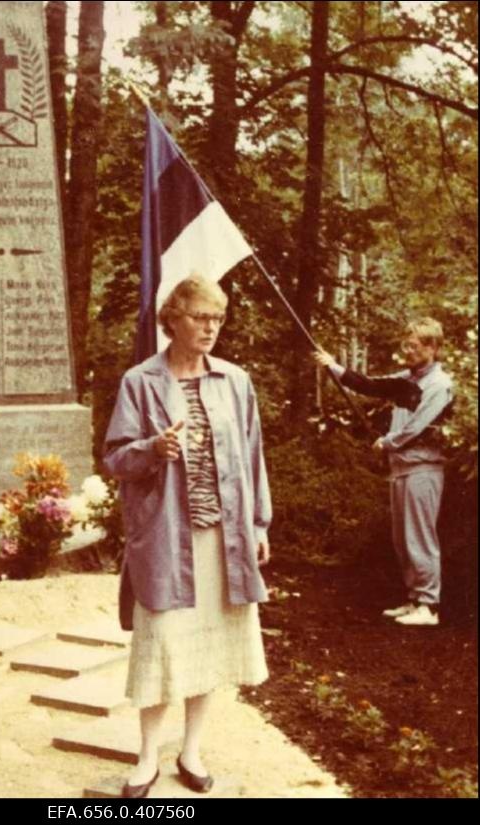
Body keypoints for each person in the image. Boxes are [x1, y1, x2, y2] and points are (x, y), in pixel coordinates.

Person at [103, 274, 271, 798]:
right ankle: (147, 757)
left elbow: (252, 457)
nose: (210, 327)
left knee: (211, 645)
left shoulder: (235, 381)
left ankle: (191, 751)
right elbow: (115, 458)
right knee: (161, 645)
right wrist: (152, 449)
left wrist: (259, 523)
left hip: (225, 540)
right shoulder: (141, 381)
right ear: (172, 318)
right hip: (166, 535)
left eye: (218, 318)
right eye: (200, 316)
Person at [314, 318, 453, 627]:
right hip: (402, 468)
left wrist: (387, 443)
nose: (408, 351)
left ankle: (429, 606)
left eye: (414, 346)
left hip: (423, 468)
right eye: (406, 345)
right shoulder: (406, 378)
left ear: (432, 348)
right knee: (402, 537)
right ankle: (415, 599)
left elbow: (417, 428)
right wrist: (333, 366)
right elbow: (370, 385)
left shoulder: (439, 385)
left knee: (419, 536)